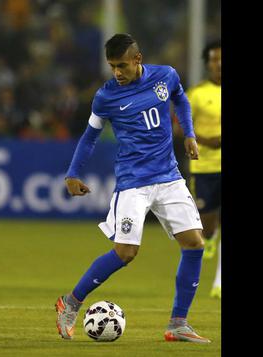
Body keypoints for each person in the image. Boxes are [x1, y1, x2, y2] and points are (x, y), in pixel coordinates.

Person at [55, 34, 210, 343]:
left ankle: (178, 323)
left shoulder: (165, 75)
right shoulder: (106, 97)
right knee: (126, 252)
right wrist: (72, 173)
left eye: (121, 65)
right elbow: (89, 136)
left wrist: (189, 132)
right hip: (133, 182)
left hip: (168, 176)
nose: (117, 73)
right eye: (112, 67)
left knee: (195, 243)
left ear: (137, 60)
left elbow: (179, 96)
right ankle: (70, 303)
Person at [186, 40, 221, 298]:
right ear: (207, 63)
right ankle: (210, 237)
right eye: (214, 60)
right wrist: (205, 140)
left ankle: (219, 283)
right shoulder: (196, 94)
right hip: (204, 165)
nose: (218, 64)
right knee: (206, 222)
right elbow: (181, 126)